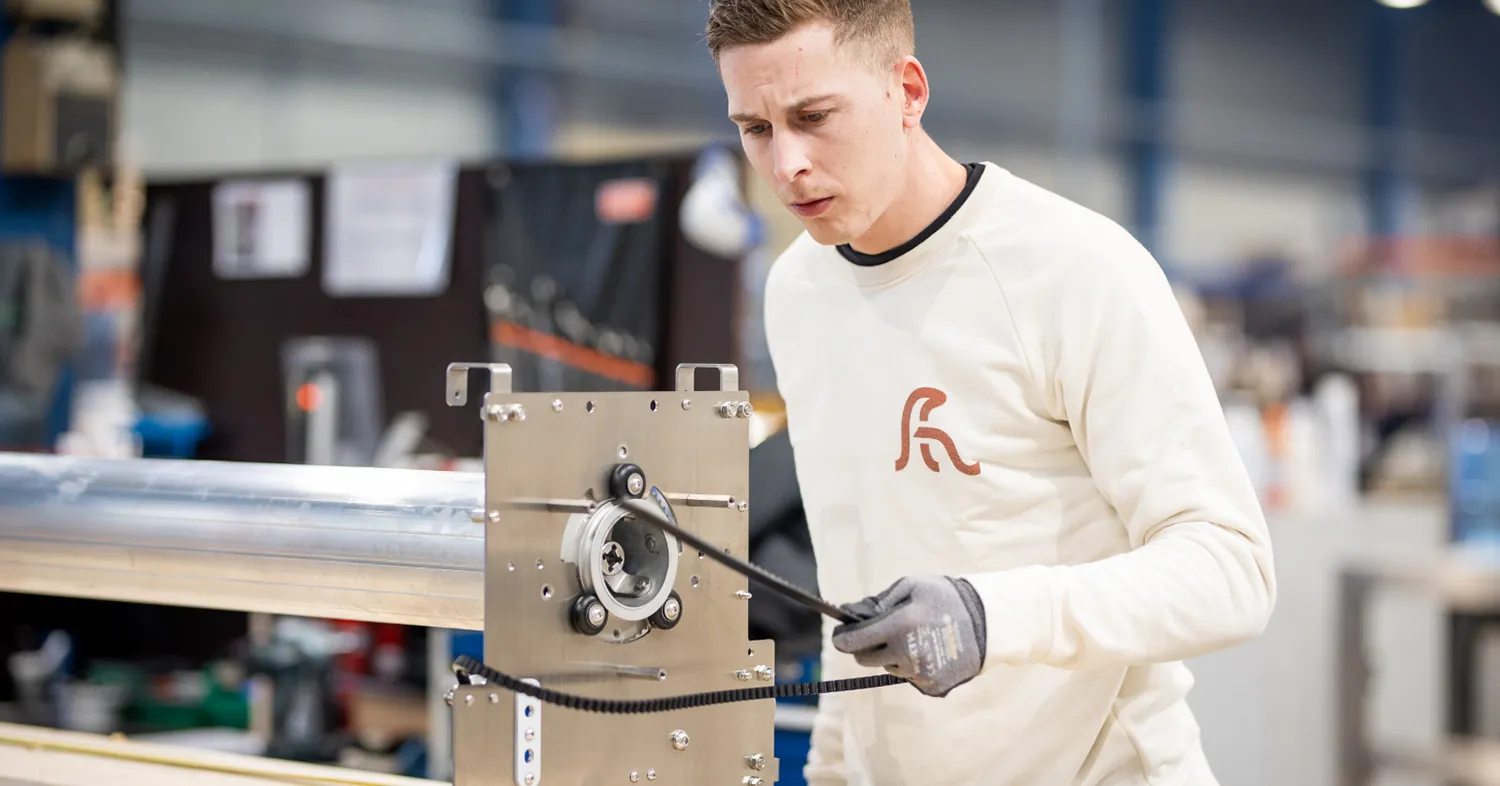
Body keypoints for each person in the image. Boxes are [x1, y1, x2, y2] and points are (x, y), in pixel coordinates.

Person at [704, 1, 1277, 784]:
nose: (786, 166)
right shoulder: (798, 290)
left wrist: (989, 616)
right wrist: (836, 769)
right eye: (757, 128)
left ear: (907, 91)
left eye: (814, 116)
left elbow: (1232, 569)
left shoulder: (1075, 270)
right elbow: (851, 575)